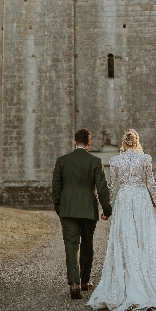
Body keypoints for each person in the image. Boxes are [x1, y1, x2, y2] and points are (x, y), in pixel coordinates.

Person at [87, 128, 156, 311]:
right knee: (145, 239)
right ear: (137, 142)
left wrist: (105, 210)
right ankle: (151, 283)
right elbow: (151, 183)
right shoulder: (145, 159)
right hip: (141, 200)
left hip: (123, 201)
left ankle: (128, 283)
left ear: (123, 143)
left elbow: (111, 187)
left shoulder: (115, 161)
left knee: (126, 239)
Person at [52, 128, 112, 300]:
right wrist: (107, 210)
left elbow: (56, 189)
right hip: (88, 209)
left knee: (71, 246)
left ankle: (74, 284)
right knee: (87, 244)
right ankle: (85, 281)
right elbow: (102, 189)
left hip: (68, 210)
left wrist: (59, 208)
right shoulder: (95, 161)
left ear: (74, 142)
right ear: (89, 143)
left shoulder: (62, 161)